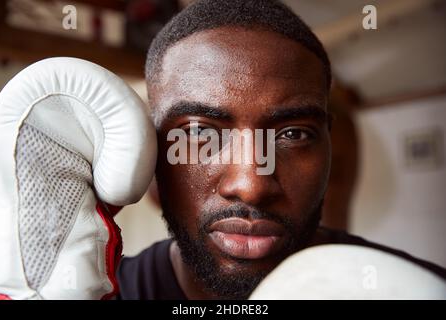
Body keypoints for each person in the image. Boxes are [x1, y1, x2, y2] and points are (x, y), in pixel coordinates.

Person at [116, 0, 446, 300]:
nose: (251, 186)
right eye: (200, 132)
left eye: (293, 133)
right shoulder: (98, 292)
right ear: (150, 147)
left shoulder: (417, 289)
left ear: (328, 145)